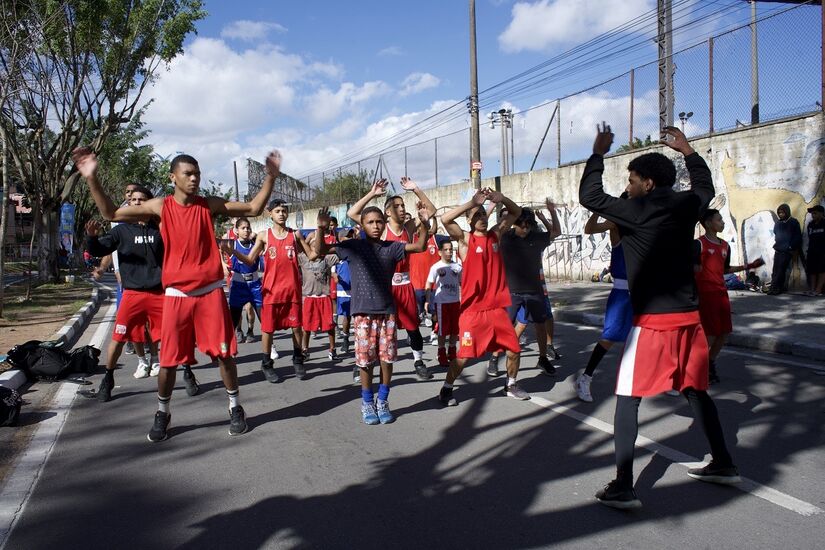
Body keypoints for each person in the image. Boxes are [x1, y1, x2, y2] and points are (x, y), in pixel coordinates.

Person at [580, 123, 740, 510]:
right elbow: (705, 187)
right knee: (694, 390)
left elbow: (590, 195)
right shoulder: (687, 205)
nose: (629, 186)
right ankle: (722, 463)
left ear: (648, 183)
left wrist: (598, 153)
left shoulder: (635, 209)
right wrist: (687, 150)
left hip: (653, 322)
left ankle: (623, 486)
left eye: (633, 179)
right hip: (689, 320)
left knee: (627, 398)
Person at [75, 147, 279, 441]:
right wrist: (91, 177)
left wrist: (270, 178)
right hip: (176, 296)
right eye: (189, 174)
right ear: (174, 178)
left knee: (224, 356)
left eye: (197, 173)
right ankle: (162, 412)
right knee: (169, 361)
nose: (195, 178)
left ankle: (235, 406)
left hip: (210, 293)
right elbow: (111, 213)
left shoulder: (207, 204)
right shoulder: (160, 207)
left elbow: (253, 208)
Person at [314, 186, 430, 425]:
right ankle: (367, 402)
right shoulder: (354, 247)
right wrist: (321, 228)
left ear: (384, 223)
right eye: (370, 222)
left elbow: (419, 247)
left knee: (387, 360)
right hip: (363, 314)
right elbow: (320, 250)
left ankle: (383, 400)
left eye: (379, 221)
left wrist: (425, 224)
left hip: (387, 312)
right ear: (363, 225)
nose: (376, 225)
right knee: (365, 361)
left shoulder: (392, 247)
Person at [85, 186, 199, 402]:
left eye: (142, 199)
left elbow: (180, 253)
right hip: (132, 294)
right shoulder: (120, 230)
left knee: (177, 335)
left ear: (150, 203)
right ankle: (107, 380)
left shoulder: (161, 228)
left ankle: (188, 373)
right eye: (133, 199)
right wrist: (92, 238)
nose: (136, 202)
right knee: (118, 338)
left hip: (160, 294)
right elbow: (99, 250)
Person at [437, 188, 525, 406]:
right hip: (473, 312)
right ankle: (447, 388)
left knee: (514, 349)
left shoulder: (496, 234)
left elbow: (516, 212)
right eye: (476, 216)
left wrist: (502, 198)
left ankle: (511, 384)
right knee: (464, 356)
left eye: (483, 214)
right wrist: (471, 203)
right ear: (468, 220)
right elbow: (445, 219)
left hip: (496, 310)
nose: (481, 219)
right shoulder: (465, 240)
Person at [347, 177, 438, 381]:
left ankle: (418, 361)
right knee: (373, 330)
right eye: (397, 206)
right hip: (382, 285)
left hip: (404, 284)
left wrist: (416, 189)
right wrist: (372, 194)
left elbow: (431, 210)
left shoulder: (409, 227)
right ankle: (359, 363)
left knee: (413, 327)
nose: (402, 208)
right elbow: (352, 213)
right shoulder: (379, 228)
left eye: (403, 205)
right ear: (388, 212)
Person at [230, 199, 314, 382]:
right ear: (270, 213)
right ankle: (266, 363)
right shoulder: (263, 236)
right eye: (278, 210)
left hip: (292, 291)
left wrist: (321, 230)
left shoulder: (295, 235)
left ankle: (298, 358)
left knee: (296, 327)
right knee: (268, 330)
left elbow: (313, 255)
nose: (282, 213)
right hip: (270, 291)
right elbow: (250, 260)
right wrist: (232, 251)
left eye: (284, 210)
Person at [488, 201, 561, 378]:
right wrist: (492, 208)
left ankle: (543, 358)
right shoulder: (505, 238)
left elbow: (556, 232)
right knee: (505, 328)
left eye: (528, 226)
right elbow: (490, 233)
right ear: (515, 224)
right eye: (522, 226)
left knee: (540, 326)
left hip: (535, 292)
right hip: (512, 293)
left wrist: (551, 212)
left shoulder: (536, 238)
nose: (525, 229)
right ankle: (495, 357)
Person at [694, 208, 764, 383]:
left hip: (721, 294)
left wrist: (748, 266)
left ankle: (710, 363)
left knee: (724, 333)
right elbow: (691, 268)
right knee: (709, 334)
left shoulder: (725, 245)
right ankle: (697, 368)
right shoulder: (698, 244)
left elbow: (725, 269)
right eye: (719, 220)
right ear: (708, 223)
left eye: (722, 219)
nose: (723, 222)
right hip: (705, 295)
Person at [575, 209, 633, 402]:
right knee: (609, 337)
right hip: (622, 294)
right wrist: (598, 211)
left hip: (643, 292)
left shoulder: (642, 226)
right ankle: (585, 378)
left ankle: (665, 379)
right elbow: (589, 228)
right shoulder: (617, 226)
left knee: (646, 337)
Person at [424, 239, 462, 369]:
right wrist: (428, 300)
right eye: (445, 249)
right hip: (442, 303)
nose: (449, 252)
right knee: (443, 330)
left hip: (455, 302)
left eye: (450, 249)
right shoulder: (436, 267)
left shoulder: (457, 267)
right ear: (439, 252)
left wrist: (463, 299)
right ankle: (441, 353)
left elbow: (462, 284)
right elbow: (429, 284)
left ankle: (452, 351)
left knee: (454, 330)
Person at [298, 246, 339, 361]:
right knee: (306, 327)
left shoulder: (327, 258)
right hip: (309, 297)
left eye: (318, 245)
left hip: (324, 297)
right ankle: (305, 350)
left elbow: (342, 253)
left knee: (330, 326)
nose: (315, 247)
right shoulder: (302, 258)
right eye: (312, 245)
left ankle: (332, 350)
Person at [227, 218, 263, 345]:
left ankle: (270, 346)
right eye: (243, 228)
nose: (246, 230)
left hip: (255, 284)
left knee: (264, 319)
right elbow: (217, 246)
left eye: (248, 228)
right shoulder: (232, 244)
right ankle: (228, 348)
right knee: (233, 319)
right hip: (238, 284)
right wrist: (222, 264)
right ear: (236, 230)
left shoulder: (256, 244)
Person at [409, 223, 447, 344]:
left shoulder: (435, 239)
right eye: (421, 226)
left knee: (435, 312)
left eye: (426, 226)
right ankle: (413, 333)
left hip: (433, 284)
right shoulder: (412, 239)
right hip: (417, 284)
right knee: (416, 314)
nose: (423, 228)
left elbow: (450, 238)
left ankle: (434, 333)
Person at [767, 203, 802, 295]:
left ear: (787, 212)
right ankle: (773, 287)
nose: (780, 214)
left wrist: (790, 246)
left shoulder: (793, 222)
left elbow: (797, 237)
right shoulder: (778, 223)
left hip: (786, 251)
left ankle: (778, 288)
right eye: (779, 213)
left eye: (782, 212)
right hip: (778, 249)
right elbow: (776, 233)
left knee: (781, 270)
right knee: (775, 270)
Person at [332, 228, 355, 360]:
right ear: (340, 239)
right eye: (347, 236)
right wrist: (335, 276)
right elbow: (332, 270)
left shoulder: (357, 252)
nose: (350, 238)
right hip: (344, 289)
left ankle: (360, 339)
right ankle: (345, 338)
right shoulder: (336, 253)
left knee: (359, 316)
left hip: (357, 289)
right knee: (347, 316)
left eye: (351, 236)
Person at [804, 205, 825, 296]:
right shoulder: (810, 225)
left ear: (821, 213)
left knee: (821, 270)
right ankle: (812, 289)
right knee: (812, 271)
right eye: (812, 213)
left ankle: (818, 289)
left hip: (823, 252)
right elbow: (810, 237)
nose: (813, 215)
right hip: (812, 251)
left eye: (815, 213)